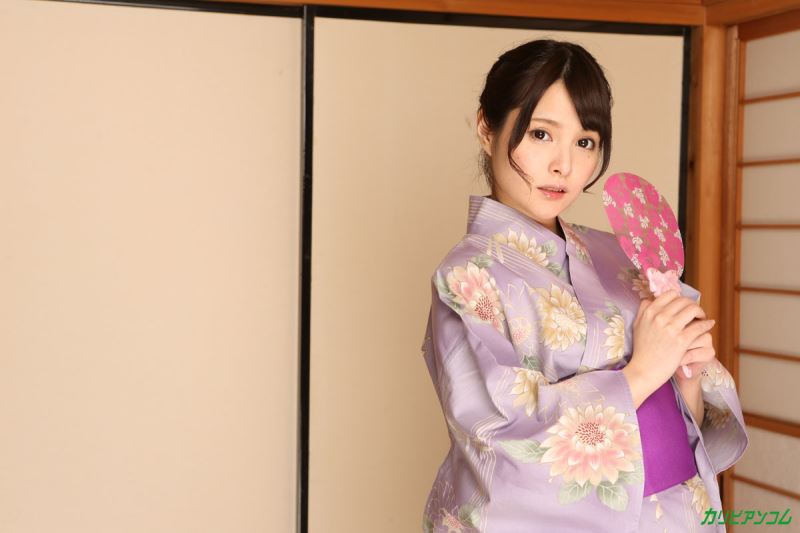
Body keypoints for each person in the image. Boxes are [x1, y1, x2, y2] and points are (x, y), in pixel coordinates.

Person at [420, 39, 748, 532]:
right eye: (540, 134)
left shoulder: (622, 256)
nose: (564, 166)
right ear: (487, 128)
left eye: (585, 142)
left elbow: (688, 424)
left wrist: (686, 374)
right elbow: (501, 435)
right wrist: (643, 372)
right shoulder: (468, 277)